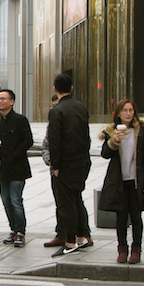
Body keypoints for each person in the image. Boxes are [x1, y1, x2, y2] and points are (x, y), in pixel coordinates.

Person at [99, 99, 144, 263]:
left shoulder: (140, 131)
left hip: (136, 181)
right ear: (119, 113)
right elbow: (105, 154)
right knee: (121, 217)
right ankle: (122, 249)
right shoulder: (111, 131)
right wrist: (114, 141)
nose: (128, 113)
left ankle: (136, 249)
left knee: (136, 217)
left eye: (131, 110)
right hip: (119, 181)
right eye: (125, 110)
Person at [47, 73, 92, 256]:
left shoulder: (57, 111)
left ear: (55, 89)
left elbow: (55, 140)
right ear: (72, 88)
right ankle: (82, 237)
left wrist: (55, 165)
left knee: (66, 204)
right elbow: (86, 136)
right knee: (76, 199)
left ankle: (70, 241)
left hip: (65, 164)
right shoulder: (81, 107)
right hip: (81, 162)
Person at [0, 89, 33, 248]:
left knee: (16, 200)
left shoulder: (20, 120)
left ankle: (21, 232)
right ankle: (13, 229)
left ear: (12, 101)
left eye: (3, 99)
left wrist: (15, 155)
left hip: (18, 167)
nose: (0, 101)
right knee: (6, 200)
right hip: (3, 168)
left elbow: (27, 141)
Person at [41, 93, 68, 247]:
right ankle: (62, 233)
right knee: (60, 202)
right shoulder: (52, 124)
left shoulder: (71, 121)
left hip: (70, 168)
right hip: (54, 169)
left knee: (74, 201)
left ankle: (82, 233)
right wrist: (50, 161)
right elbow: (46, 145)